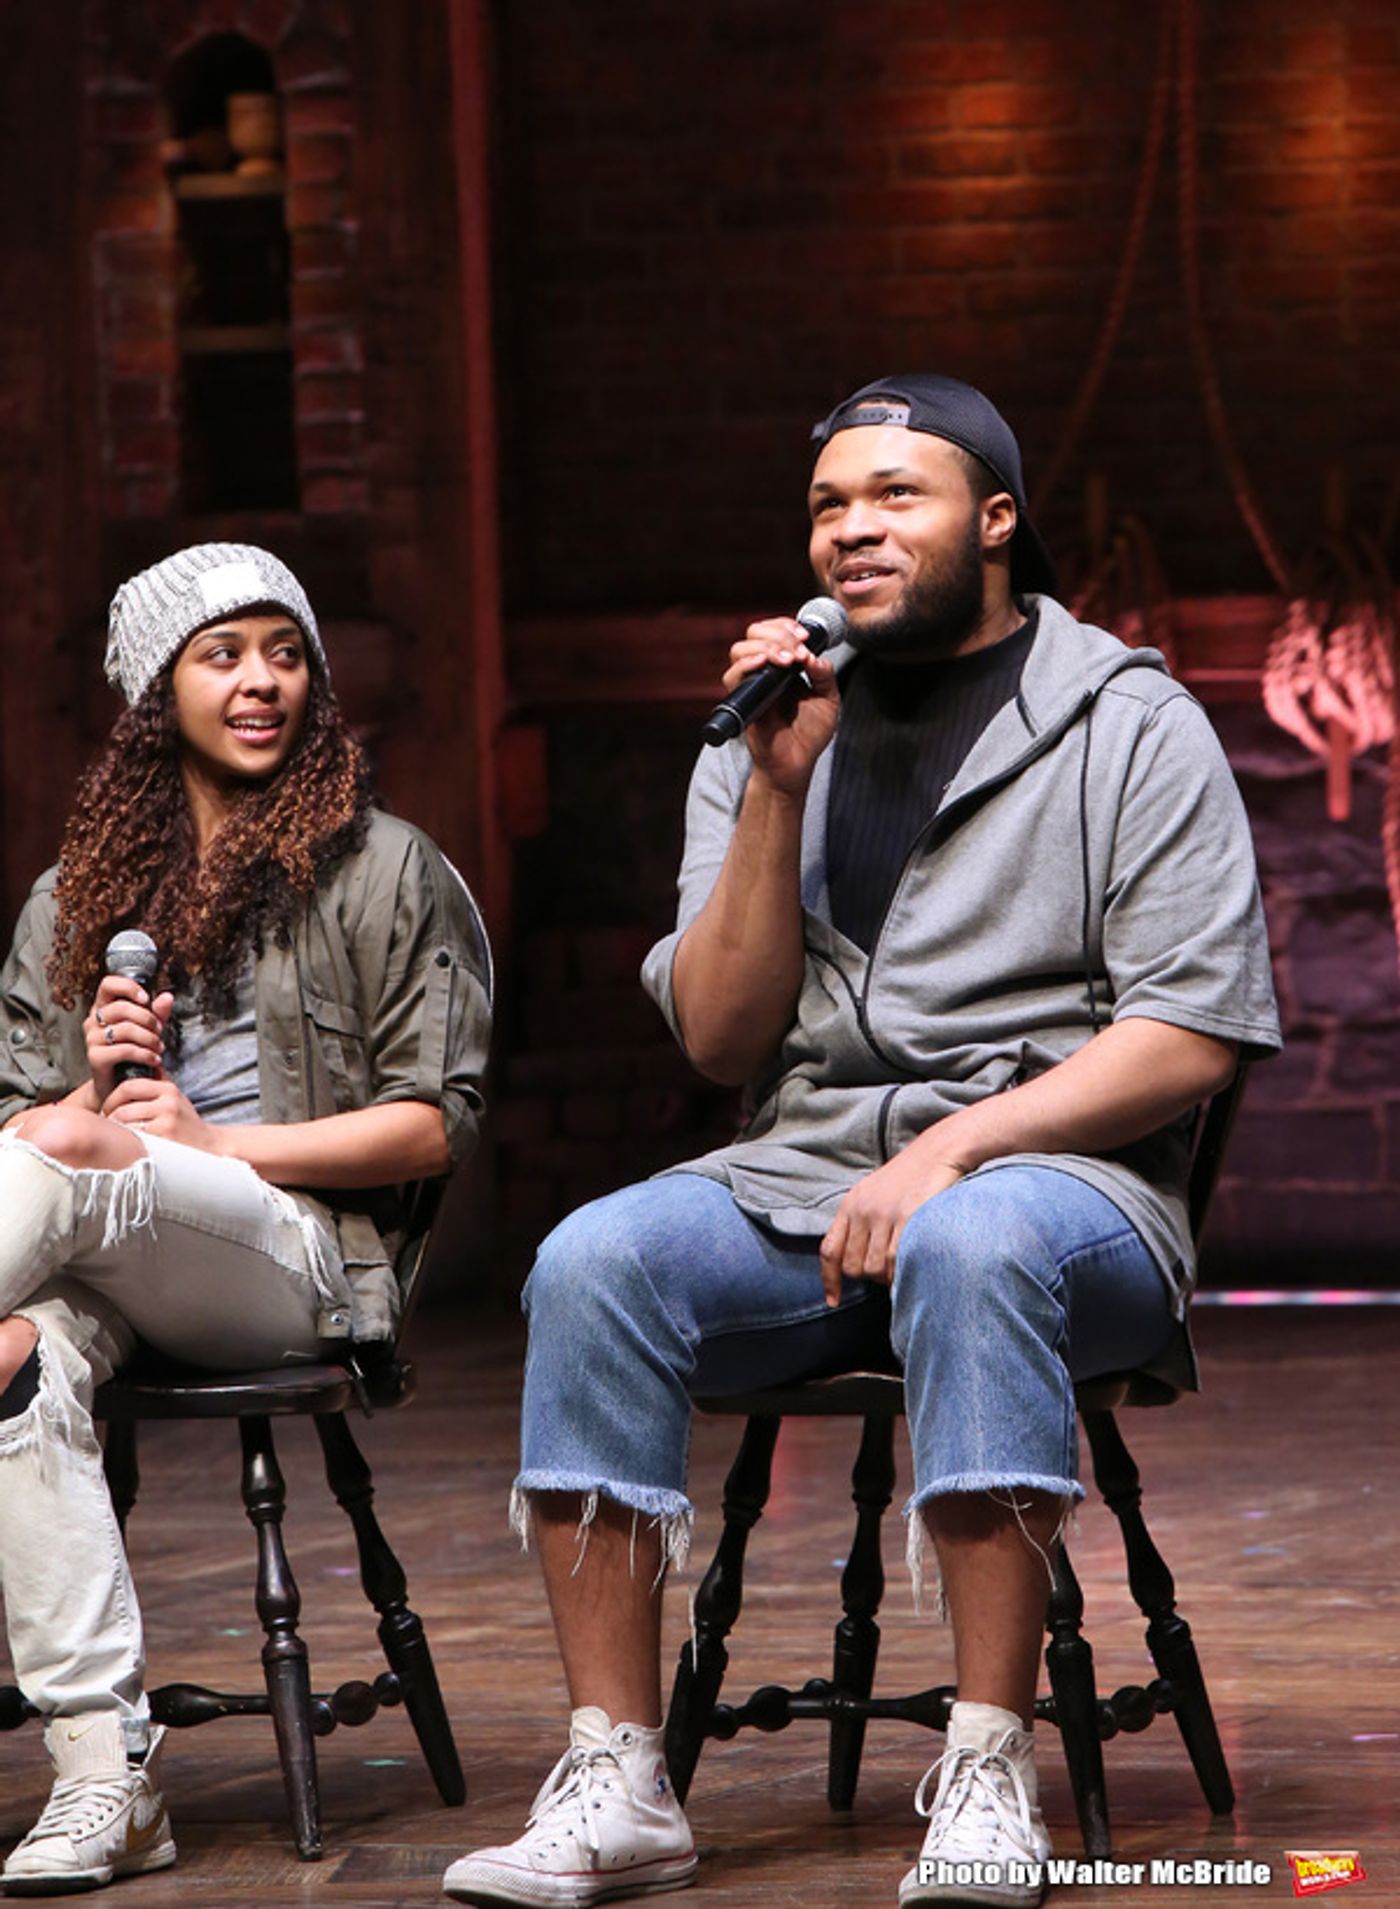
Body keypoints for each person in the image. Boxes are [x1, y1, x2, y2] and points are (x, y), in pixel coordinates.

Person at [443, 374, 1280, 1909]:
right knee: (594, 1261)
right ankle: (620, 1770)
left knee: (974, 1238)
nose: (854, 528)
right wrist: (776, 790)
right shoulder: (774, 726)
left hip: (1066, 1194)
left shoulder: (1125, 720)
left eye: (897, 495)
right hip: (807, 1175)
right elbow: (720, 1039)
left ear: (997, 520)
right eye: (831, 502)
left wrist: (953, 1150)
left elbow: (1193, 1030)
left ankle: (984, 1764)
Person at [0, 543, 491, 1895]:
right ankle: (105, 1781)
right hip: (112, 1238)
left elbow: (431, 1122)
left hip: (299, 1255)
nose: (263, 680)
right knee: (14, 1357)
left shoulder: (384, 869)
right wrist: (98, 1084)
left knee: (66, 1143)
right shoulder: (70, 903)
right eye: (224, 655)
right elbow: (20, 1134)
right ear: (159, 691)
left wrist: (215, 1140)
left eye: (285, 651)